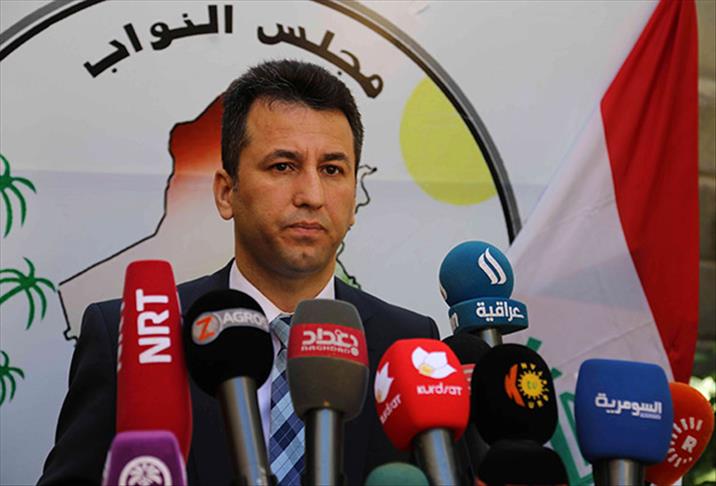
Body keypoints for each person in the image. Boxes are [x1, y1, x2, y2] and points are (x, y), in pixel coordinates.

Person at [39, 60, 439, 485]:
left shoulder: (411, 347)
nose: (312, 195)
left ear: (354, 196)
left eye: (332, 170)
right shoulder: (135, 336)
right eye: (283, 166)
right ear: (226, 192)